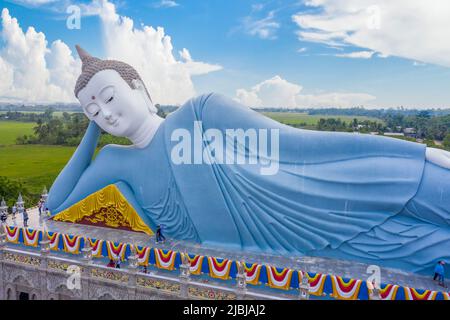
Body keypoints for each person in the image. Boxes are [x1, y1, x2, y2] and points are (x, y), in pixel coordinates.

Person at [46, 45, 450, 276]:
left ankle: (413, 165)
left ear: (139, 87)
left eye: (110, 97)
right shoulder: (117, 162)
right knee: (423, 249)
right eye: (94, 112)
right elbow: (56, 205)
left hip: (301, 202)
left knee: (423, 188)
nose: (107, 114)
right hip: (278, 243)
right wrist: (92, 130)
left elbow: (297, 145)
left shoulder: (201, 112)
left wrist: (415, 150)